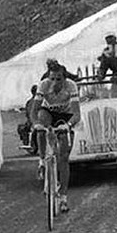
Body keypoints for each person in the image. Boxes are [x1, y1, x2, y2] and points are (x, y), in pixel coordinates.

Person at [30, 64, 81, 213]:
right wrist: (35, 125)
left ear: (64, 78)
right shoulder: (44, 85)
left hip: (65, 116)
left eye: (58, 79)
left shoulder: (71, 86)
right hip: (48, 113)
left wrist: (68, 126)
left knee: (63, 158)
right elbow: (34, 112)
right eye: (52, 78)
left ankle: (63, 197)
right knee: (41, 123)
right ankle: (42, 160)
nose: (55, 82)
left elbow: (77, 114)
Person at [17, 85, 38, 154]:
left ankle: (29, 143)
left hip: (35, 123)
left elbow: (29, 114)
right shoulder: (33, 102)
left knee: (22, 128)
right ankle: (29, 143)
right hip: (35, 122)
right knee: (22, 128)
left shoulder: (31, 102)